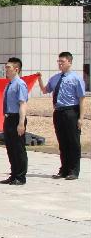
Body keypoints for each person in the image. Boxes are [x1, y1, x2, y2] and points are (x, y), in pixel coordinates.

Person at [38, 52, 85, 180]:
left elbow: (81, 99)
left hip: (71, 111)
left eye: (62, 61)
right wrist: (39, 79)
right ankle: (64, 169)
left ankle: (73, 170)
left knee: (73, 142)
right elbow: (45, 90)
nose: (60, 64)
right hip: (58, 112)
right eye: (58, 61)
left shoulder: (76, 78)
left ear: (69, 62)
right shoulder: (55, 78)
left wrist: (81, 118)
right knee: (62, 142)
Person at [0, 57, 29, 185]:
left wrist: (21, 123)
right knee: (10, 148)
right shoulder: (9, 84)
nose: (6, 70)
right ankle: (13, 174)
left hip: (17, 118)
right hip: (8, 118)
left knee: (18, 148)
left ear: (16, 69)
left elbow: (23, 104)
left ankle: (20, 176)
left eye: (8, 67)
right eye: (6, 67)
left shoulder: (20, 84)